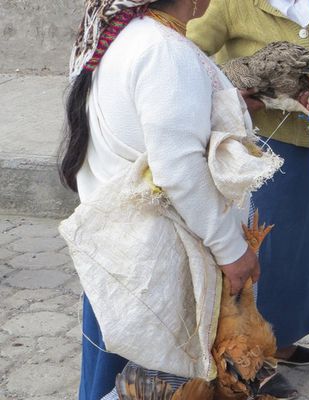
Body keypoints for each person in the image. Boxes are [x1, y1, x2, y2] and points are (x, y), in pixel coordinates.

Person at [58, 0, 265, 398]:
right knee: (154, 385)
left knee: (119, 378)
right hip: (157, 263)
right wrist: (231, 249)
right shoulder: (164, 50)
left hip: (123, 252)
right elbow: (179, 169)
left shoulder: (123, 34)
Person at [188, 1, 309, 365]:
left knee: (306, 250)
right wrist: (231, 92)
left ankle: (283, 340)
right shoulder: (231, 4)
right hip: (264, 149)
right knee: (267, 250)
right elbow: (187, 50)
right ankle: (248, 354)